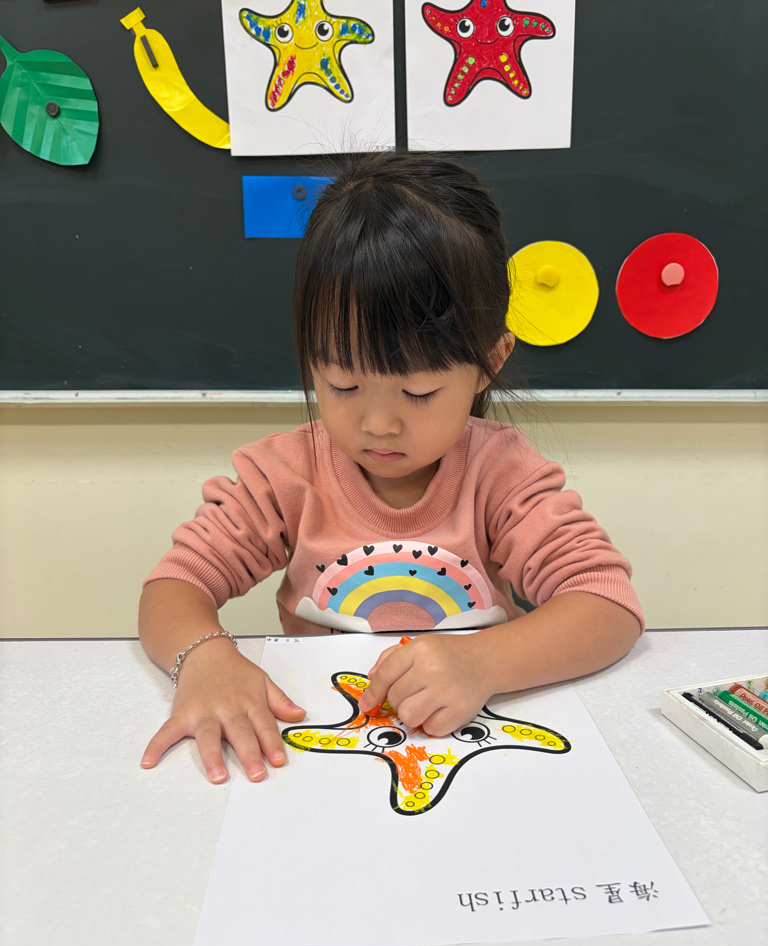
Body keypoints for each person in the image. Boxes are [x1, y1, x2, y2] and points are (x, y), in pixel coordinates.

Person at [139, 151, 643, 784]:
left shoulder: (501, 474)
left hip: (476, 749)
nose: (378, 424)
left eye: (419, 392)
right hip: (319, 757)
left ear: (489, 364)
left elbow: (607, 604)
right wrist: (203, 655)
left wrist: (484, 662)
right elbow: (174, 586)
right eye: (343, 385)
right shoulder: (285, 474)